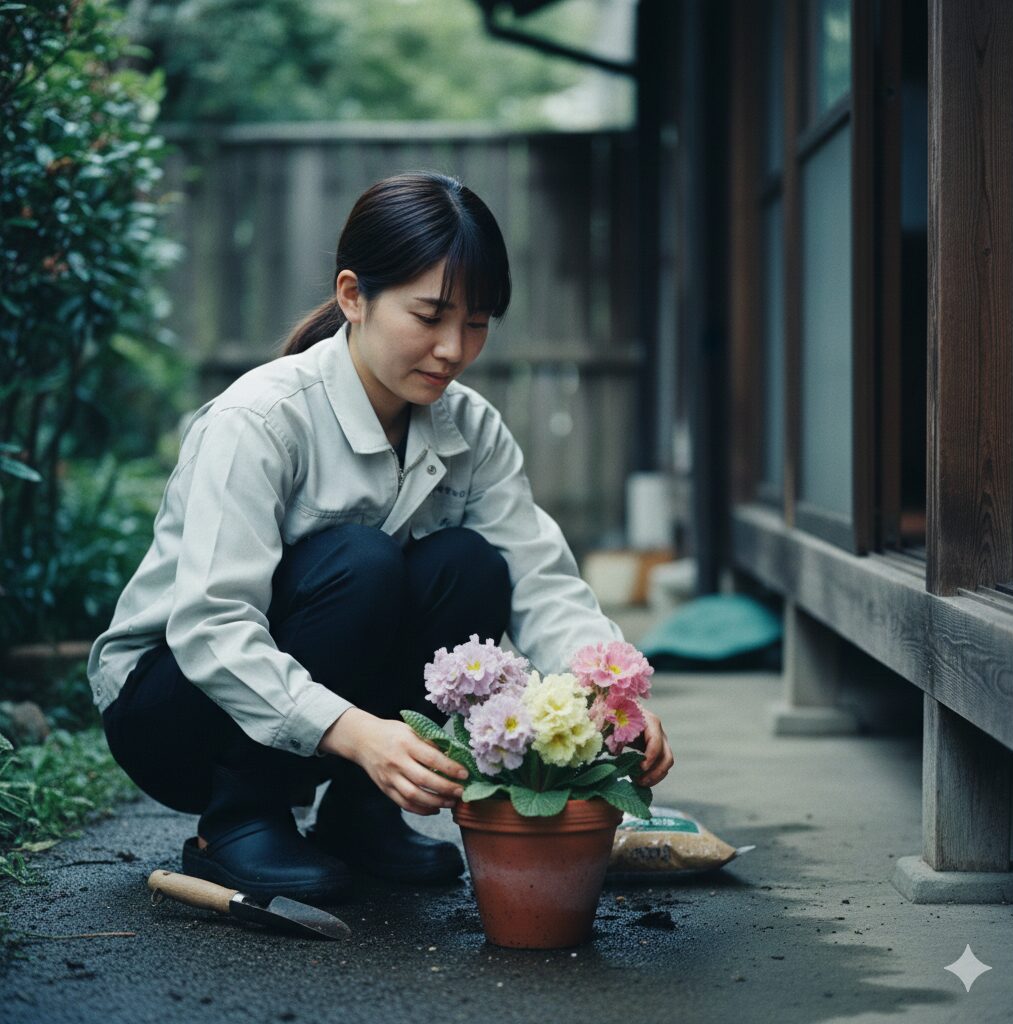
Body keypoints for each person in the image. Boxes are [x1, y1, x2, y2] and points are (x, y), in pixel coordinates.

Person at [88, 171, 674, 905]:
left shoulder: (472, 429)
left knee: (471, 565)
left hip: (314, 716)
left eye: (477, 322)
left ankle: (359, 815)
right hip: (174, 713)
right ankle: (239, 819)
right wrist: (357, 733)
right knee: (361, 561)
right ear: (352, 296)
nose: (453, 348)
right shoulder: (261, 420)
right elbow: (210, 623)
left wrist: (607, 700)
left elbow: (540, 579)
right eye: (430, 315)